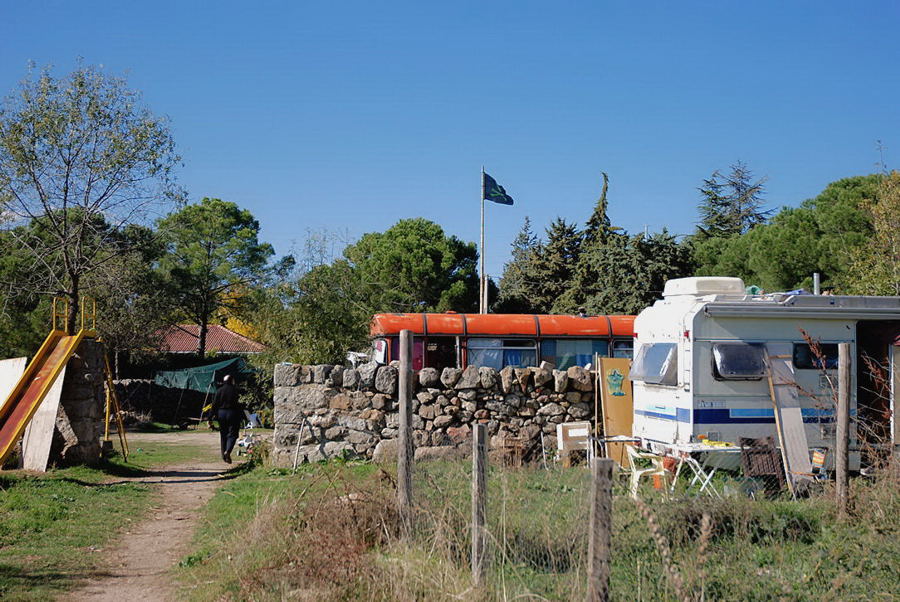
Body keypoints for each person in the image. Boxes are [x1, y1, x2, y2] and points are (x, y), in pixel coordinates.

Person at [209, 374, 243, 463]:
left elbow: (214, 404)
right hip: (233, 413)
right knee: (233, 434)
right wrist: (242, 416)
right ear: (232, 381)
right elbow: (240, 404)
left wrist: (210, 418)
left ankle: (223, 456)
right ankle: (228, 451)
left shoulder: (219, 391)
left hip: (221, 414)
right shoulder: (236, 390)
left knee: (223, 434)